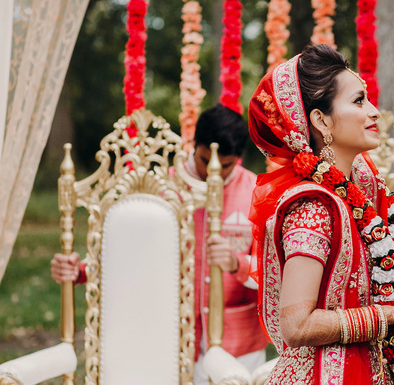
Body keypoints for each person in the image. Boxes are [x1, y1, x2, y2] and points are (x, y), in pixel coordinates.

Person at [247, 44, 394, 384]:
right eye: (359, 101)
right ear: (322, 120)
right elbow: (297, 325)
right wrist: (387, 317)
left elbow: (363, 287)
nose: (374, 112)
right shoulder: (313, 206)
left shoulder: (358, 191)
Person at [50, 104, 268, 384]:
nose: (215, 173)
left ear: (238, 157)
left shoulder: (256, 194)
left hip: (239, 346)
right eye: (205, 160)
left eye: (226, 166)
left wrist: (237, 263)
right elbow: (128, 257)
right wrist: (79, 271)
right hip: (170, 338)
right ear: (194, 146)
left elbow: (272, 274)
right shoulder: (163, 187)